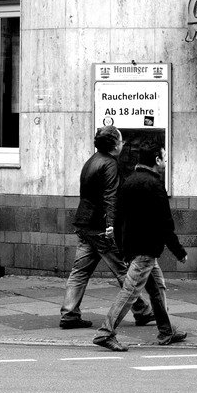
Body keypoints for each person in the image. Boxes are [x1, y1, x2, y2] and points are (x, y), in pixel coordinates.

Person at [93, 144, 188, 351]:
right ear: (156, 160)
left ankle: (166, 331)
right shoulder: (154, 185)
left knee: (157, 288)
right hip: (146, 249)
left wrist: (122, 248)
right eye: (164, 157)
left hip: (135, 248)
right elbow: (165, 223)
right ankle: (105, 332)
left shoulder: (128, 182)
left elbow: (117, 220)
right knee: (130, 291)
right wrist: (179, 251)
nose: (165, 161)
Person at [59, 125, 155, 329]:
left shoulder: (91, 161)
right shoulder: (110, 164)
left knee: (79, 271)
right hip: (101, 227)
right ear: (113, 144)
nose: (123, 144)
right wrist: (112, 225)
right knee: (123, 270)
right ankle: (142, 311)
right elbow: (110, 197)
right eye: (120, 141)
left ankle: (69, 313)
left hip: (85, 224)